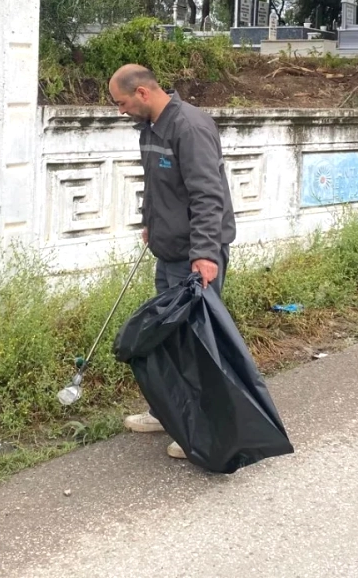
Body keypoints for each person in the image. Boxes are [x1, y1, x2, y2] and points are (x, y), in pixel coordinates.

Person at [108, 63, 237, 459]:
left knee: (196, 341)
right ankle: (168, 412)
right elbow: (157, 183)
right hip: (168, 251)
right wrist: (151, 223)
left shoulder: (190, 127)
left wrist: (204, 253)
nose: (120, 111)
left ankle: (203, 427)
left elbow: (206, 195)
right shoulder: (149, 129)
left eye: (122, 102)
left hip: (195, 256)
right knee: (166, 338)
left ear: (143, 93)